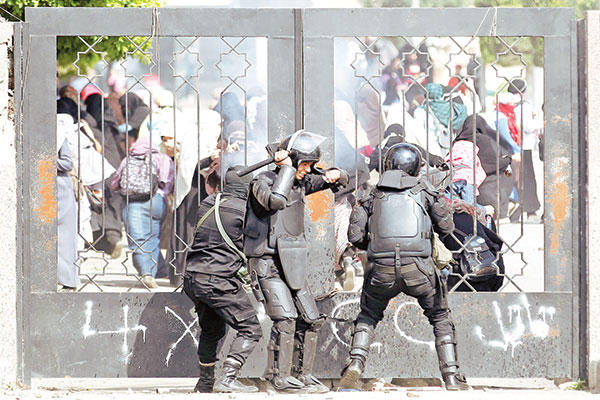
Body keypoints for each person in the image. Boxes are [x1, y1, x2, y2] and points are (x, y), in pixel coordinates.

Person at [340, 143, 470, 391]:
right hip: (419, 268)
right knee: (440, 316)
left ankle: (355, 363)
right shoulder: (426, 191)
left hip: (380, 269)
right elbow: (447, 228)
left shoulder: (371, 195)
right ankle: (452, 377)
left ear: (388, 165)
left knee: (368, 315)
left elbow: (355, 237)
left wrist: (376, 242)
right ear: (417, 167)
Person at [244, 131, 348, 393]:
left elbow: (340, 181)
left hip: (292, 263)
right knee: (286, 320)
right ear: (291, 161)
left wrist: (336, 174)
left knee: (312, 319)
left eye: (310, 165)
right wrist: (288, 169)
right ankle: (279, 378)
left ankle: (303, 375)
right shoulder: (263, 181)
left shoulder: (301, 182)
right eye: (304, 164)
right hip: (267, 262)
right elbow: (275, 201)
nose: (308, 170)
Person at [183, 167, 262, 393]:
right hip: (218, 280)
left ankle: (205, 383)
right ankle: (227, 379)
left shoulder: (208, 203)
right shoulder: (244, 210)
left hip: (193, 277)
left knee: (211, 331)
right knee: (250, 328)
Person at [111, 137, 174, 288]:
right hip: (157, 201)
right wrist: (163, 193)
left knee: (139, 239)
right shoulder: (162, 158)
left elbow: (115, 183)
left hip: (133, 203)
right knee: (153, 236)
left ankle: (147, 273)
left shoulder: (127, 160)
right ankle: (160, 270)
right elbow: (168, 181)